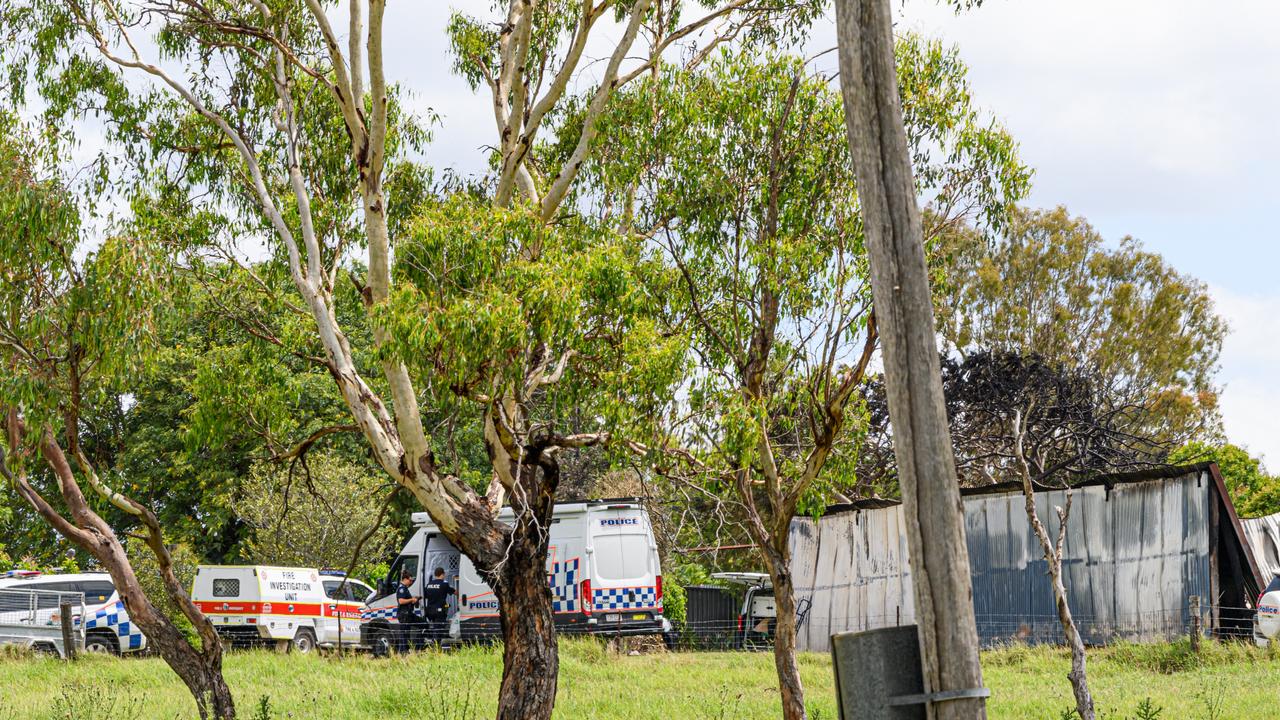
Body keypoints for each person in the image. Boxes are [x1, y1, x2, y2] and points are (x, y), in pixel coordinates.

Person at [420, 567, 456, 646]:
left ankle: (433, 642)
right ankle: (435, 645)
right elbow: (454, 592)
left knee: (435, 627)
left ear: (435, 574)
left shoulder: (429, 584)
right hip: (439, 611)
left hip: (430, 611)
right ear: (442, 574)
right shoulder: (444, 584)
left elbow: (425, 595)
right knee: (439, 629)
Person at [394, 570, 421, 653]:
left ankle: (410, 649)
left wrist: (415, 599)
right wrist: (412, 599)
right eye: (410, 580)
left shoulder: (405, 588)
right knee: (404, 634)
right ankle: (403, 652)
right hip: (403, 614)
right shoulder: (401, 588)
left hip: (407, 614)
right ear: (405, 579)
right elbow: (401, 601)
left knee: (407, 633)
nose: (411, 582)